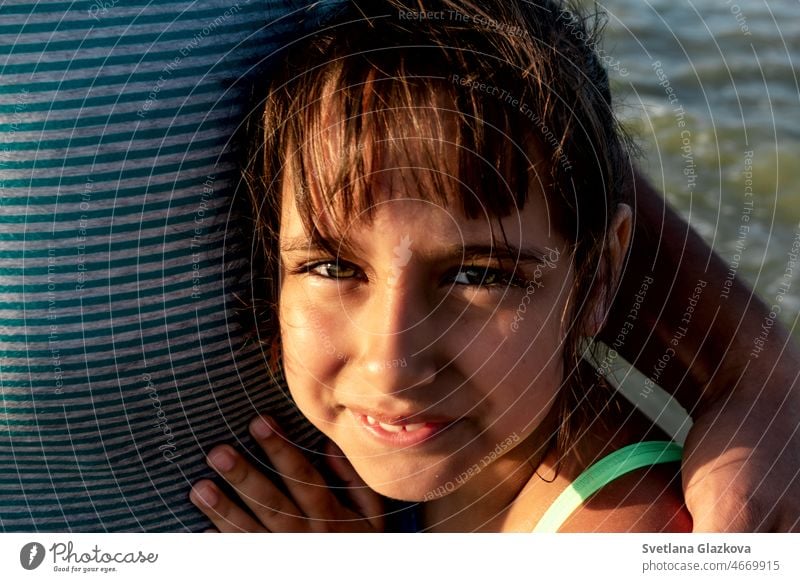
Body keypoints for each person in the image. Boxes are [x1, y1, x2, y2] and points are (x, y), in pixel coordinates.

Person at [2, 0, 797, 532]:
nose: (392, 360)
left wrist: (753, 377)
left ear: (600, 275)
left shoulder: (626, 535)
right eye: (329, 267)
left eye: (479, 275)